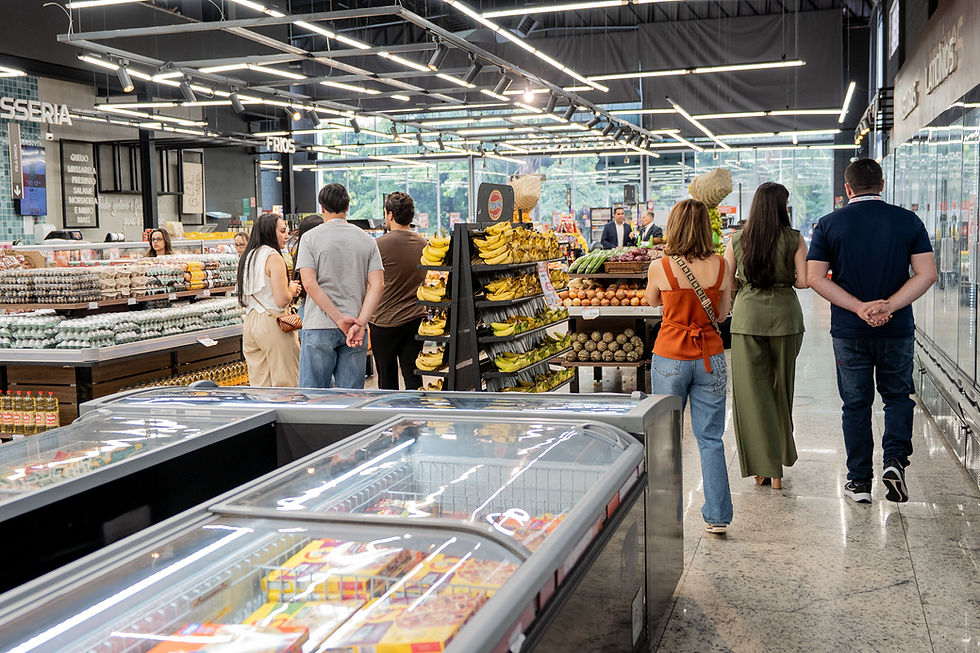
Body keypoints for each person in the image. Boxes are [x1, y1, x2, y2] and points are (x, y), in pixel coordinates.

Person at [807, 159, 937, 504]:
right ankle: (895, 461)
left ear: (847, 188)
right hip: (897, 328)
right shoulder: (908, 221)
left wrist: (859, 308)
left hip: (849, 330)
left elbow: (814, 278)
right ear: (881, 184)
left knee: (856, 404)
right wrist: (889, 306)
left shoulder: (828, 224)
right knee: (897, 397)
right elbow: (927, 273)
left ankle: (860, 482)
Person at [646, 199, 734, 535]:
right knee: (710, 438)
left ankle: (664, 514)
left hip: (670, 356)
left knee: (666, 438)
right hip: (709, 357)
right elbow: (722, 315)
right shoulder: (722, 266)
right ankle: (717, 516)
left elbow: (652, 301)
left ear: (673, 227)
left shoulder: (661, 266)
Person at [724, 182, 808, 490]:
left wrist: (746, 282)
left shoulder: (736, 240)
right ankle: (779, 468)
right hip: (786, 318)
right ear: (782, 207)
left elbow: (727, 283)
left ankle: (763, 467)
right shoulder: (795, 239)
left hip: (747, 319)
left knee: (752, 395)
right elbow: (804, 282)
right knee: (780, 391)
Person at [297, 184, 384, 389]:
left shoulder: (309, 238)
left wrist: (338, 318)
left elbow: (309, 284)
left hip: (318, 326)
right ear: (347, 207)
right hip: (355, 329)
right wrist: (360, 323)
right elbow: (378, 285)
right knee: (351, 398)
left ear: (322, 207)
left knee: (314, 398)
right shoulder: (367, 240)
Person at [369, 192, 427, 390]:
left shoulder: (378, 246)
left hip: (384, 321)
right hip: (416, 318)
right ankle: (416, 408)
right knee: (413, 373)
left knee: (387, 378)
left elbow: (370, 283)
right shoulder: (423, 244)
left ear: (390, 215)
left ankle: (391, 410)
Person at [237, 213, 302, 387]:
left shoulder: (247, 256)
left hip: (250, 322)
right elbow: (282, 300)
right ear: (270, 233)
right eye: (282, 231)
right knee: (286, 381)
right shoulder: (273, 257)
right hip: (274, 322)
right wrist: (291, 289)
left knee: (260, 384)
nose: (286, 236)